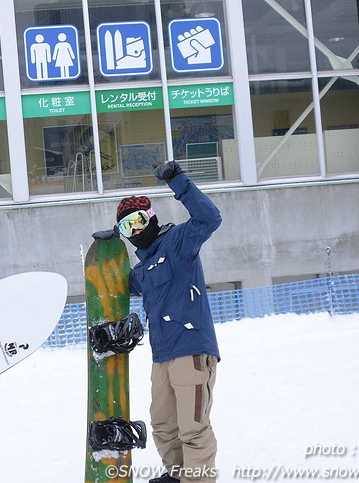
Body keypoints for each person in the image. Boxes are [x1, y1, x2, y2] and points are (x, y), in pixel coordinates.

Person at [115, 162, 222, 483]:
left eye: (137, 222)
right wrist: (107, 251)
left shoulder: (179, 242)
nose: (134, 232)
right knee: (163, 424)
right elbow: (119, 286)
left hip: (191, 348)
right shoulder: (142, 270)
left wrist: (179, 182)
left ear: (151, 218)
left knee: (192, 427)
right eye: (125, 228)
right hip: (162, 356)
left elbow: (209, 219)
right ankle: (178, 476)